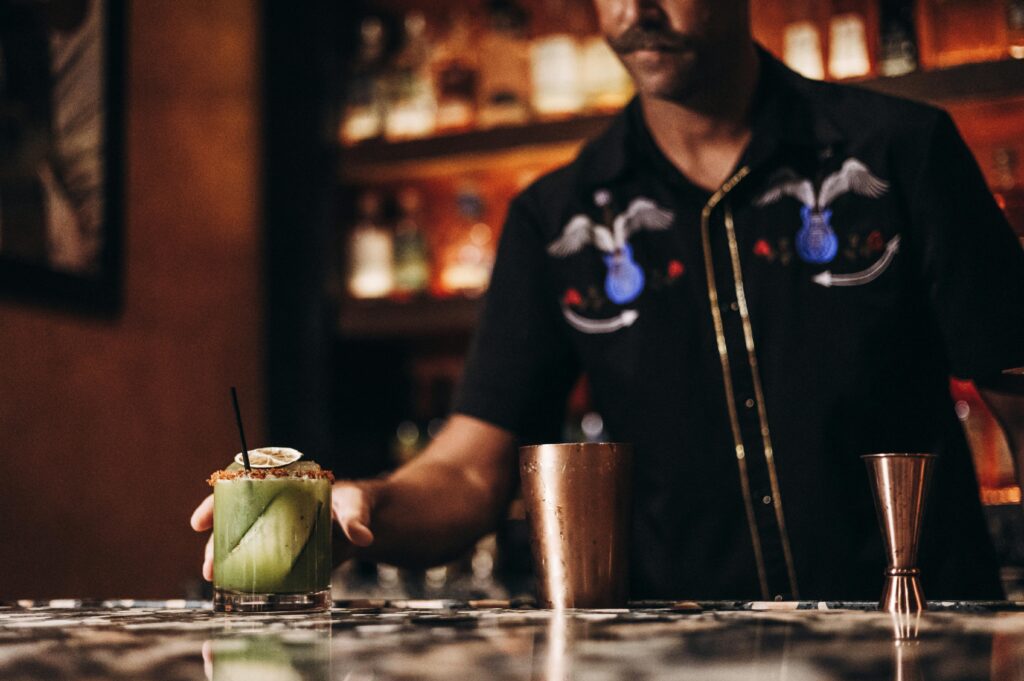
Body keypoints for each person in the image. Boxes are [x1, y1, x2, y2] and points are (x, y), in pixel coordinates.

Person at [192, 0, 1024, 600]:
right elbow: (471, 468)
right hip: (689, 654)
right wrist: (365, 506)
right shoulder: (559, 218)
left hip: (920, 636)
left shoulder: (898, 154)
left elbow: (1015, 391)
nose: (638, 11)